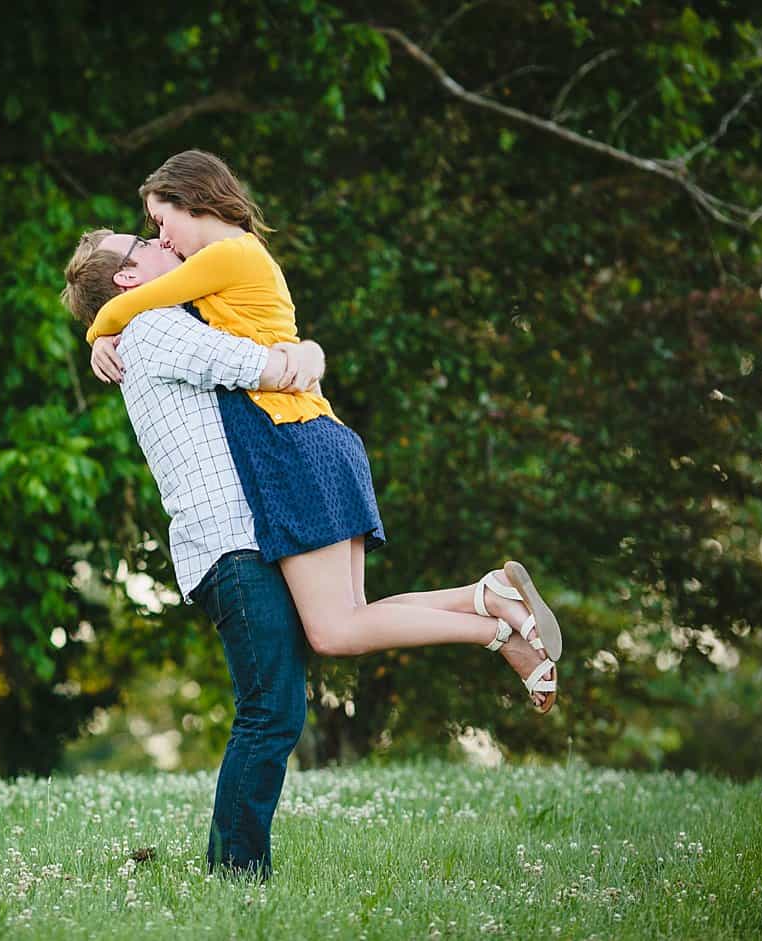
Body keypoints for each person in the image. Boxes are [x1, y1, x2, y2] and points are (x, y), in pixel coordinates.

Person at [64, 151, 561, 714]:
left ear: (192, 200)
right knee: (351, 618)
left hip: (293, 442)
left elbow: (141, 304)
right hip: (319, 436)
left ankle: (495, 631)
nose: (160, 238)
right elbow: (160, 311)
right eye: (148, 237)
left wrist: (99, 333)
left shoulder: (218, 260)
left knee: (333, 632)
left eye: (159, 222)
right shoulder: (204, 292)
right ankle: (486, 598)